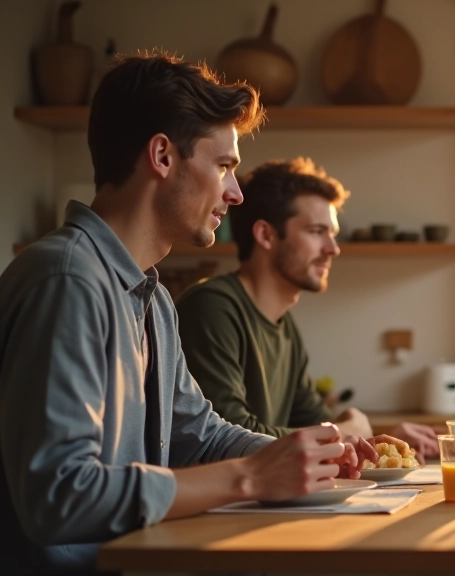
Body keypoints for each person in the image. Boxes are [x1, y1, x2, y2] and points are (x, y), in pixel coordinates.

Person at [0, 53, 381, 575]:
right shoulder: (67, 281)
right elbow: (58, 496)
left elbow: (199, 435)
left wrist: (307, 455)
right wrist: (248, 477)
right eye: (224, 165)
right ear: (162, 156)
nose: (236, 192)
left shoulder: (151, 297)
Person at [175, 157, 439, 462]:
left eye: (333, 234)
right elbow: (229, 438)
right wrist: (350, 432)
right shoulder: (211, 308)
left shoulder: (285, 329)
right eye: (316, 231)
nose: (333, 248)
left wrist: (378, 438)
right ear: (266, 235)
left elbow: (321, 425)